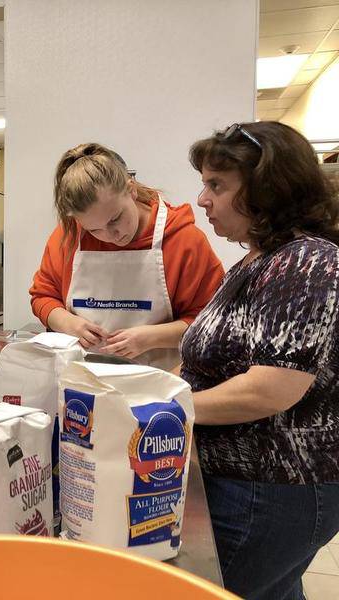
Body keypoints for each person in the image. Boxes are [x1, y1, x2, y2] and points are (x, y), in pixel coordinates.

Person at [181, 121, 339, 600]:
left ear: (268, 189)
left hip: (272, 488)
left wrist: (165, 407)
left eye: (217, 185)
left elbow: (270, 388)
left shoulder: (306, 261)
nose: (203, 199)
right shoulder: (257, 260)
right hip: (245, 484)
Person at [30, 143, 224, 369]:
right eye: (94, 230)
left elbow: (213, 323)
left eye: (115, 219)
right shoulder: (69, 237)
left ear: (130, 189)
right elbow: (42, 296)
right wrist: (67, 323)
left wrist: (151, 338)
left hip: (159, 384)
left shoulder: (184, 241)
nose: (110, 236)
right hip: (83, 381)